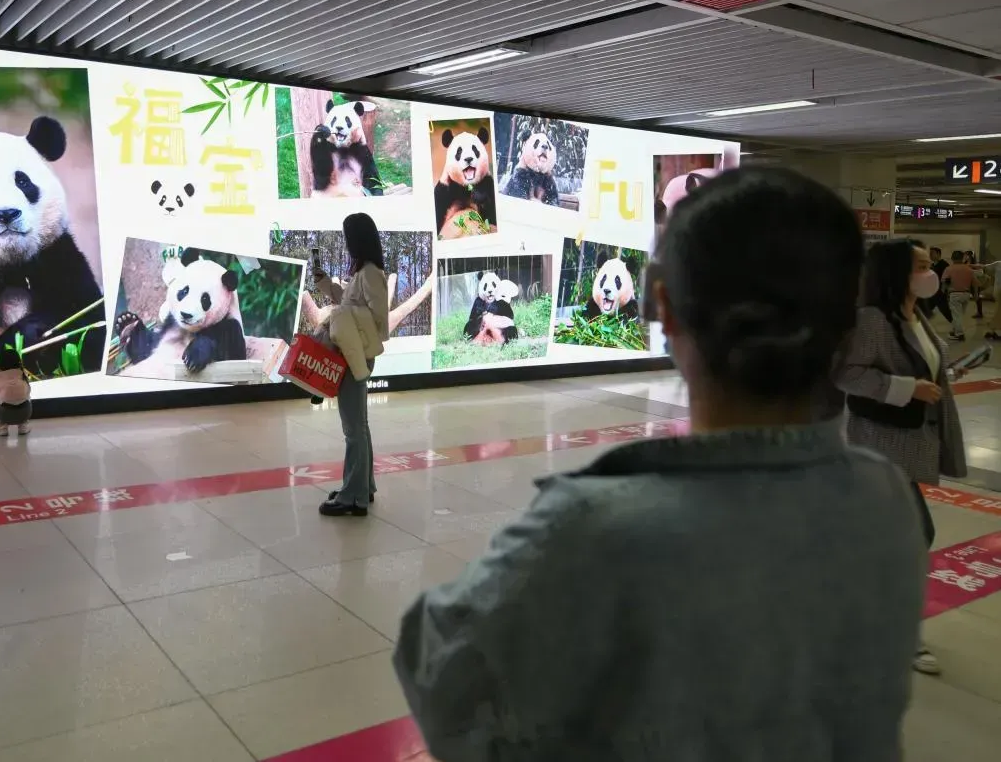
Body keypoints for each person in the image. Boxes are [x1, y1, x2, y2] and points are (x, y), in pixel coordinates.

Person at [394, 167, 926, 761]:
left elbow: (438, 676)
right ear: (847, 321)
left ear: (663, 307)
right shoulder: (885, 497)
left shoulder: (588, 528)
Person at [837, 238, 972, 674]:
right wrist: (906, 388)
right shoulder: (872, 320)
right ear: (896, 272)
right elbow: (846, 374)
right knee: (914, 536)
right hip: (878, 446)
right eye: (920, 265)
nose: (930, 272)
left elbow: (918, 363)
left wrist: (939, 374)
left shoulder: (915, 316)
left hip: (906, 443)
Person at [313, 212, 389, 517]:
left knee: (353, 428)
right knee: (359, 425)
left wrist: (343, 316)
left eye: (348, 236)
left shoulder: (370, 273)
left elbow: (378, 319)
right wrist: (327, 286)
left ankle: (353, 496)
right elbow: (351, 303)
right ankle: (363, 486)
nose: (345, 243)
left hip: (356, 355)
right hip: (352, 352)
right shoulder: (363, 271)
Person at [0, 351, 32, 437]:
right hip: (26, 412)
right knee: (26, 394)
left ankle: (1, 427)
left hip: (5, 415)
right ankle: (23, 426)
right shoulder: (23, 373)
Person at [945, 250, 975, 340]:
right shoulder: (969, 269)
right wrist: (976, 294)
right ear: (962, 258)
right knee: (959, 314)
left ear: (952, 258)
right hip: (966, 294)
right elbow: (975, 283)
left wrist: (945, 293)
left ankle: (959, 334)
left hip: (955, 294)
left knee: (956, 315)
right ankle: (955, 330)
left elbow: (945, 282)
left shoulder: (949, 269)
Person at [924, 246, 953, 324]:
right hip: (932, 292)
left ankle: (957, 326)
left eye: (932, 253)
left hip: (940, 293)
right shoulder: (932, 265)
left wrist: (943, 290)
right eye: (930, 253)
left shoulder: (944, 264)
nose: (930, 255)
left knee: (946, 312)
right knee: (925, 310)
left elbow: (948, 279)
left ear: (938, 254)